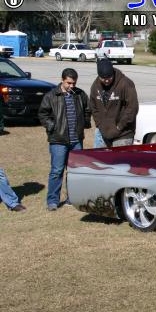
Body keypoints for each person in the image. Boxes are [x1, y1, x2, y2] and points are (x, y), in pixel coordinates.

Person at [38, 68, 91, 211]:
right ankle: (53, 201)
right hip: (58, 140)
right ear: (62, 80)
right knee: (57, 171)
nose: (72, 86)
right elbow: (42, 114)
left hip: (76, 140)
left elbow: (87, 109)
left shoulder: (80, 94)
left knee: (75, 171)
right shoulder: (51, 95)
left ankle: (72, 198)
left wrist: (85, 123)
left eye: (74, 83)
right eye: (69, 83)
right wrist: (52, 126)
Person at [90, 59, 139, 148]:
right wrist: (99, 124)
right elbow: (94, 107)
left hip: (123, 134)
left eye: (109, 77)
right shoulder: (95, 86)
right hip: (103, 133)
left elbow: (132, 108)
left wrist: (119, 127)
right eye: (103, 78)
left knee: (119, 157)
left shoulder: (126, 84)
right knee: (100, 157)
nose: (106, 81)